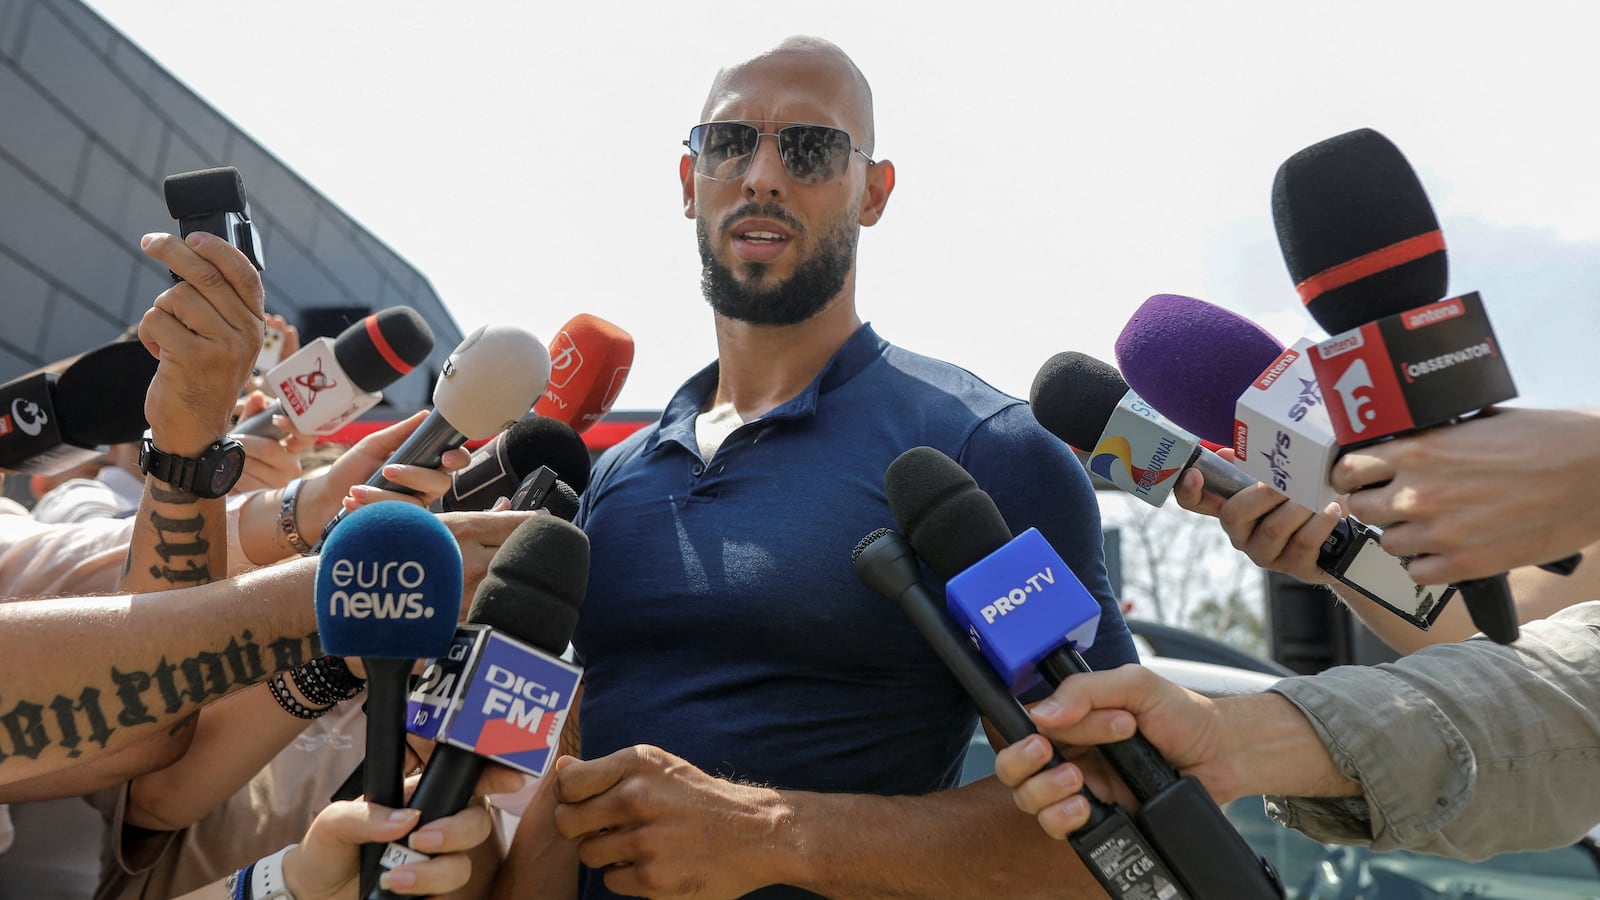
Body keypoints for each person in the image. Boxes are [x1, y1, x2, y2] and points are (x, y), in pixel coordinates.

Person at [493, 36, 1137, 899]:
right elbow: (559, 789)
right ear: (689, 181)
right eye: (730, 143)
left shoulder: (980, 453)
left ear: (873, 192)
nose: (762, 174)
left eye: (810, 149)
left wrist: (772, 835)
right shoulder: (618, 480)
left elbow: (1124, 816)